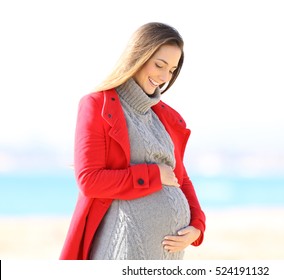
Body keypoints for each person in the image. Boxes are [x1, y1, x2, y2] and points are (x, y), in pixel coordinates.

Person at [60, 22, 206, 260]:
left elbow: (181, 178)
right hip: (124, 251)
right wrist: (153, 175)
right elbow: (89, 180)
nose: (164, 77)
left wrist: (197, 226)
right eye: (159, 65)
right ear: (139, 55)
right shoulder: (97, 104)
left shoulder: (164, 117)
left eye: (171, 70)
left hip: (169, 256)